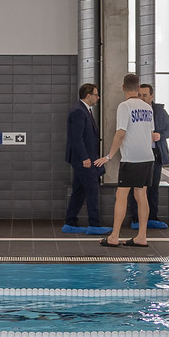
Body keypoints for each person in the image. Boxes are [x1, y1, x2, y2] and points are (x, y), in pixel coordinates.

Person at [99, 73, 159, 249]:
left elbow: (120, 133)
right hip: (148, 157)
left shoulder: (124, 106)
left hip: (131, 158)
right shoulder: (148, 108)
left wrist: (109, 155)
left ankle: (114, 236)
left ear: (123, 87)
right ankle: (142, 236)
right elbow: (151, 135)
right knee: (141, 195)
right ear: (138, 88)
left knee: (121, 195)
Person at [62, 82, 104, 234]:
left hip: (85, 158)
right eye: (96, 95)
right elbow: (76, 138)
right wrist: (85, 158)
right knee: (92, 188)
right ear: (88, 96)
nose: (98, 97)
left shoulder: (83, 110)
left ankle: (70, 222)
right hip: (83, 159)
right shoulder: (79, 111)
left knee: (79, 191)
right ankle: (94, 225)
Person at [139, 83, 169, 232]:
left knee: (153, 187)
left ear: (151, 96)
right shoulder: (135, 110)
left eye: (145, 95)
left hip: (155, 153)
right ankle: (137, 218)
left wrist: (160, 135)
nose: (142, 98)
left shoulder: (159, 111)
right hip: (140, 153)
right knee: (139, 188)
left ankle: (152, 217)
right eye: (139, 95)